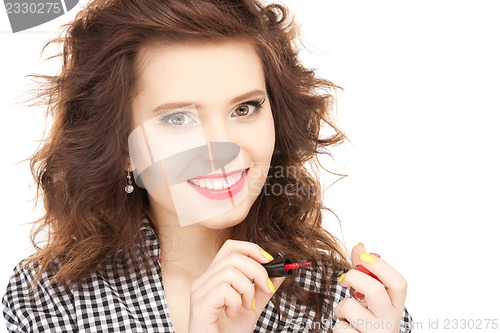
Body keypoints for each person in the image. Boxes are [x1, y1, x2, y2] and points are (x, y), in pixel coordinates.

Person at [2, 0, 412, 332]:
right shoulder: (49, 300)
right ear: (123, 147)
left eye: (245, 108)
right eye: (178, 118)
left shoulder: (348, 307)